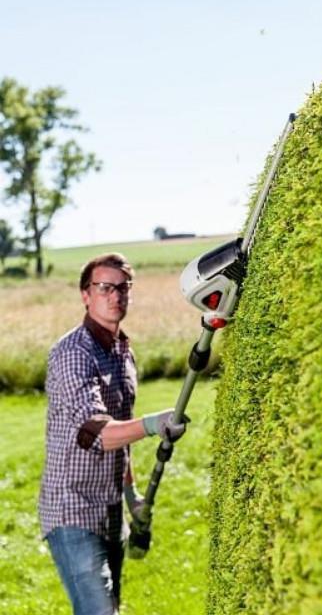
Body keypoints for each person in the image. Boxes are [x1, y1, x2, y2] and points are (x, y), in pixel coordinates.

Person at [39, 252, 186, 615]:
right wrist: (153, 424)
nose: (115, 295)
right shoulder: (74, 354)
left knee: (110, 608)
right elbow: (100, 433)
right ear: (85, 295)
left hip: (109, 510)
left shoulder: (122, 351)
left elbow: (121, 427)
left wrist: (131, 494)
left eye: (123, 288)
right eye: (104, 287)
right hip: (72, 509)